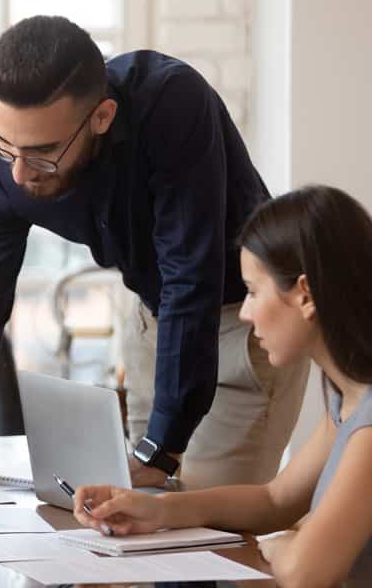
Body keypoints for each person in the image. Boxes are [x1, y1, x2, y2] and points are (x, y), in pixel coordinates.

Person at [0, 15, 309, 500]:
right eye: (6, 141)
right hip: (154, 322)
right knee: (140, 523)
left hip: (246, 328)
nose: (20, 174)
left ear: (101, 117)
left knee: (210, 527)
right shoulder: (1, 168)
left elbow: (191, 277)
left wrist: (161, 450)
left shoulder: (171, 103)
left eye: (43, 152)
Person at [74, 185, 372, 586]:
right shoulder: (347, 398)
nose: (245, 313)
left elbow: (306, 572)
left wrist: (289, 548)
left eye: (252, 292)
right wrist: (158, 511)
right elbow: (276, 500)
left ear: (304, 295)